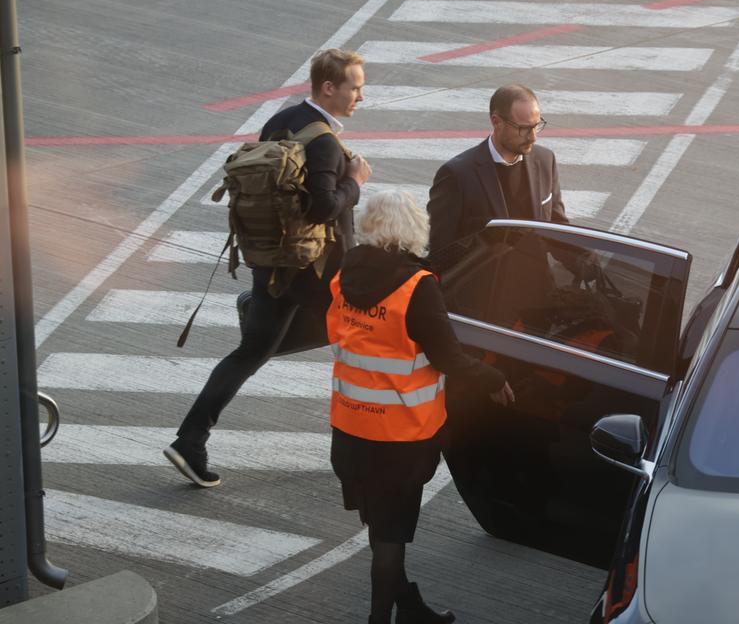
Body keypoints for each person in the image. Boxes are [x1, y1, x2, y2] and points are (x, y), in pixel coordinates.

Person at [164, 48, 373, 488]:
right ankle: (359, 459)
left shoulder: (282, 121)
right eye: (355, 86)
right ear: (328, 87)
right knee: (359, 339)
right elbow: (322, 208)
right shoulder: (325, 144)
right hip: (315, 270)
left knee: (252, 351)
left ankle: (191, 439)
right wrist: (355, 181)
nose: (361, 96)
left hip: (270, 260)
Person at [327, 189, 514, 624]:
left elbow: (339, 337)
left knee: (381, 530)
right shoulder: (416, 287)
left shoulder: (343, 277)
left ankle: (410, 607)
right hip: (399, 438)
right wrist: (494, 378)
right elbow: (448, 357)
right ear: (415, 229)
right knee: (389, 540)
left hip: (350, 430)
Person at [426, 83, 566, 271]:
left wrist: (586, 262)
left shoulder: (545, 160)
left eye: (536, 126)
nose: (533, 137)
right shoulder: (456, 175)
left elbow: (557, 225)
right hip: (482, 295)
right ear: (496, 121)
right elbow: (441, 250)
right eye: (523, 128)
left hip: (538, 288)